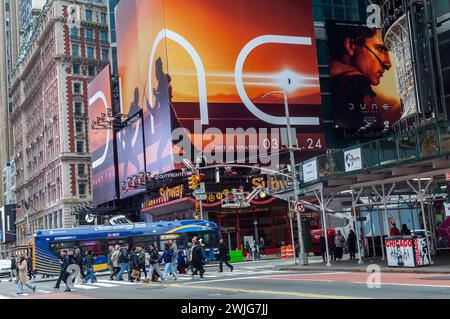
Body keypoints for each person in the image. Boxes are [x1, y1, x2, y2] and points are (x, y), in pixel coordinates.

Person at [328, 22, 394, 130]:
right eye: (381, 49)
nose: (388, 63)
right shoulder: (357, 83)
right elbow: (377, 131)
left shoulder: (334, 79)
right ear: (351, 45)